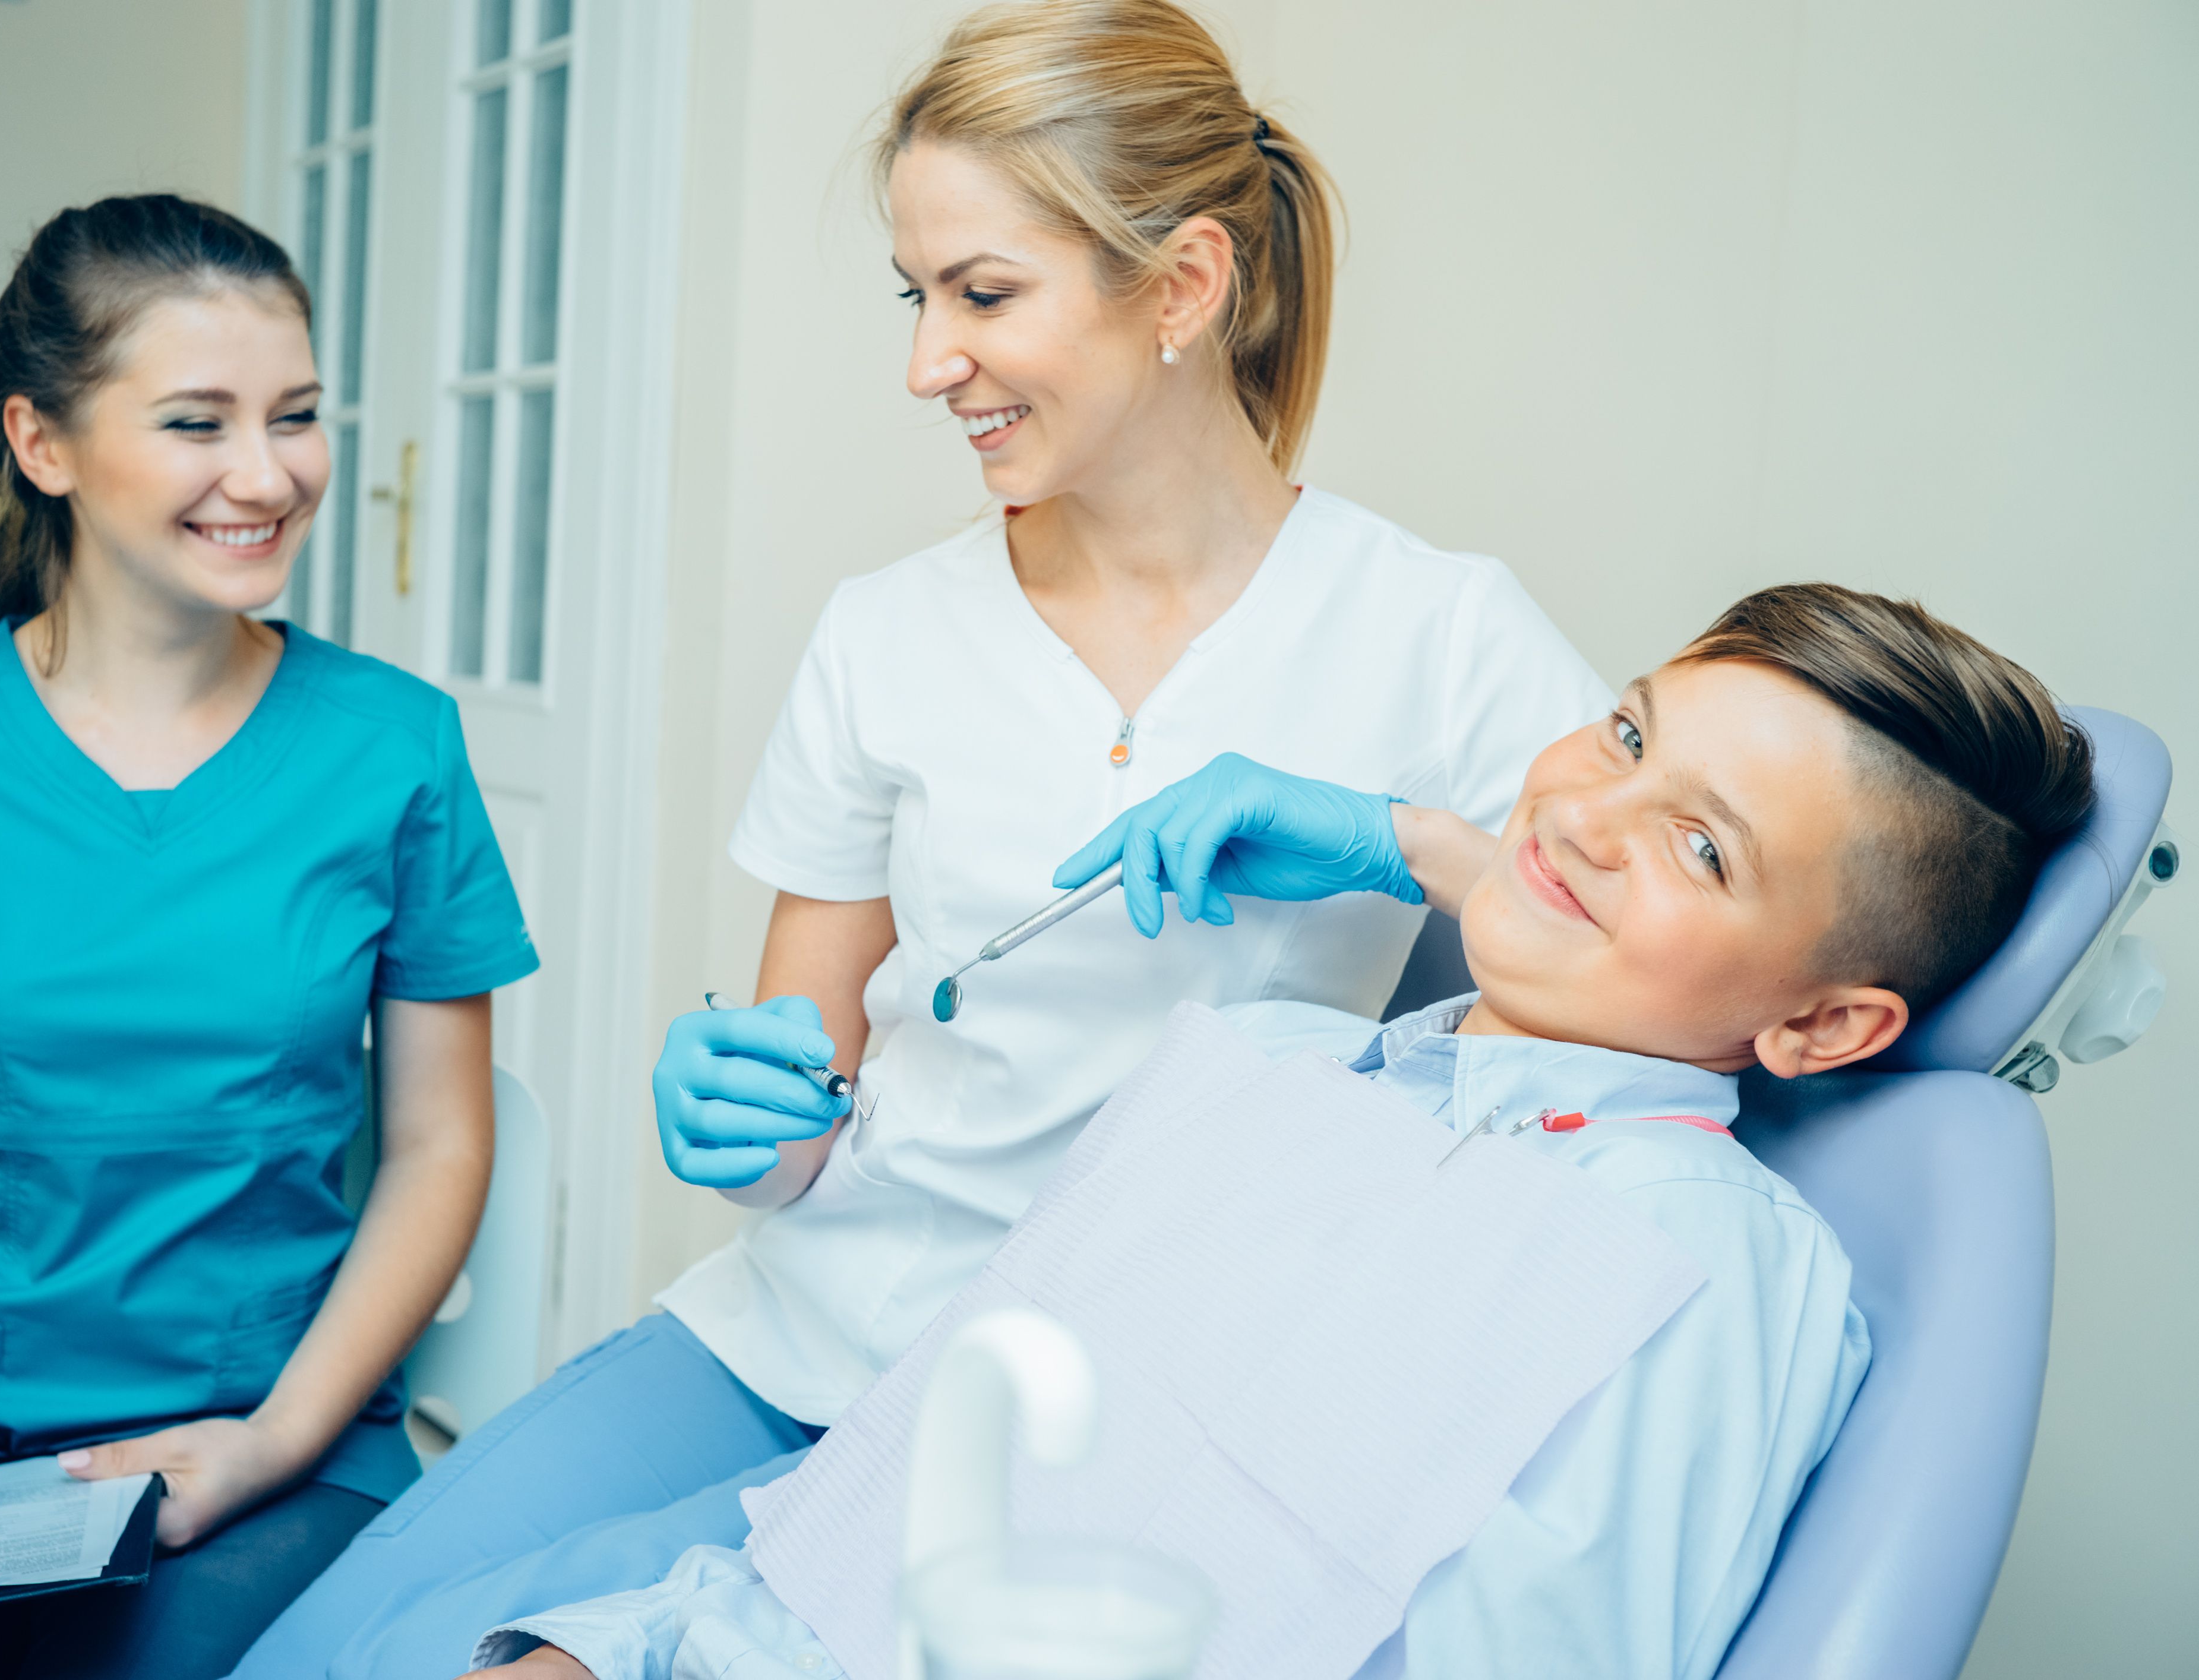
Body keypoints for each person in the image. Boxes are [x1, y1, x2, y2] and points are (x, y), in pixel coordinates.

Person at [232, 4, 1613, 1672]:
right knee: (326, 1650)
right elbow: (804, 1093)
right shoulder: (884, 634)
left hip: (1097, 1404)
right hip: (797, 1324)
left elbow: (1664, 974)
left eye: (982, 294)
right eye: (917, 295)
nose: (923, 362)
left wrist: (1397, 840)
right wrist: (752, 1120)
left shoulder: (1442, 636)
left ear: (1181, 287)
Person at [455, 582, 2095, 1680]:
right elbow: (895, 1504)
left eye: (1704, 848)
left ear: (1822, 1027)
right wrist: (612, 1648)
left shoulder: (1692, 1263)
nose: (1584, 815)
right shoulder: (1272, 1064)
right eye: (1625, 731)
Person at [0, 195, 535, 1680]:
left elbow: (439, 1145)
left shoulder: (395, 746)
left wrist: (271, 1438)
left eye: (295, 415)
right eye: (197, 422)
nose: (267, 473)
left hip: (279, 1442)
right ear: (43, 444)